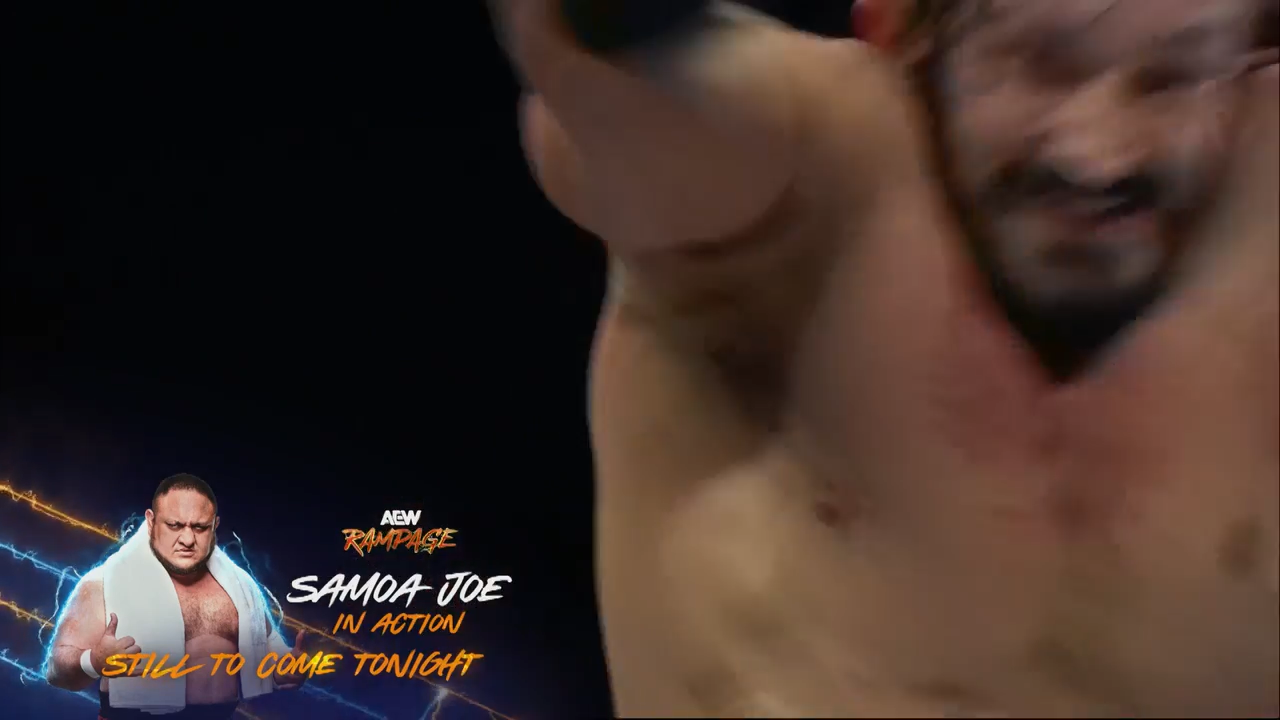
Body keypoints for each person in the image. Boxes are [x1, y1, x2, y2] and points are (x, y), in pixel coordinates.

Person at [490, 0, 1278, 716]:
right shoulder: (803, 174)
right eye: (1038, 65)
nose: (1096, 155)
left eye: (1174, 78)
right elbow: (617, 83)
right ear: (903, 31)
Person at [45, 474, 309, 719]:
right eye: (174, 525)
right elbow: (56, 671)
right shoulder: (104, 583)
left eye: (200, 527)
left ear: (215, 525)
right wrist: (93, 661)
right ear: (151, 522)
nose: (187, 539)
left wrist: (288, 669)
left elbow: (272, 657)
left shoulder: (241, 588)